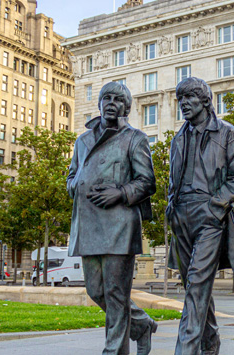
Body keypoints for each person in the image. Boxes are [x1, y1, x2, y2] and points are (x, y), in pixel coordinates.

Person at [67, 82, 157, 355]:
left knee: (117, 296)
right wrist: (77, 186)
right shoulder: (82, 141)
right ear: (99, 103)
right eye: (106, 97)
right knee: (96, 292)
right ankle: (140, 325)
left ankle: (114, 351)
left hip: (120, 225)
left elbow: (147, 182)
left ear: (127, 108)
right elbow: (71, 176)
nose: (111, 103)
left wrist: (119, 193)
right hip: (89, 224)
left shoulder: (135, 138)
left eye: (118, 100)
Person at [166, 77, 234, 355]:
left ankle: (185, 350)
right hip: (181, 217)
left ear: (205, 101)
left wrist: (217, 206)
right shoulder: (178, 138)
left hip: (210, 214)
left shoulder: (226, 132)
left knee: (197, 284)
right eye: (180, 100)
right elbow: (172, 181)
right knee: (194, 285)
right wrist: (171, 209)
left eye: (189, 98)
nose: (184, 104)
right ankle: (210, 344)